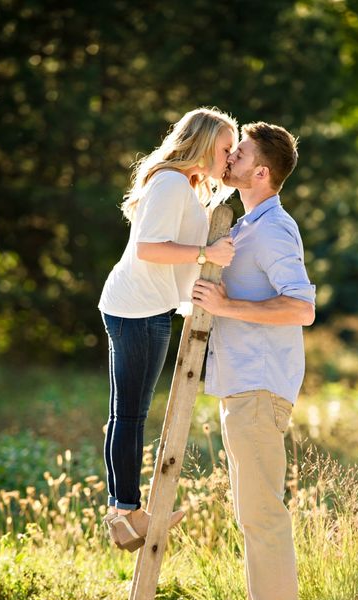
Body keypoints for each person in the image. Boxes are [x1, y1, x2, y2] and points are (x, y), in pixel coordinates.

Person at [192, 121, 316, 600]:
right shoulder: (248, 225)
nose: (228, 155)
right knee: (251, 514)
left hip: (261, 389)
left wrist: (225, 308)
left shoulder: (273, 231)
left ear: (260, 172)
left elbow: (301, 308)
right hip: (243, 386)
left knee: (263, 516)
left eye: (237, 151)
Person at [99, 108, 238, 553]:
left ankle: (122, 517)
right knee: (130, 415)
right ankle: (126, 510)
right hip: (137, 309)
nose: (230, 156)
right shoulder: (171, 182)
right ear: (201, 143)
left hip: (145, 306)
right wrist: (206, 253)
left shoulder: (185, 185)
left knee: (127, 413)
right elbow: (149, 249)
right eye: (225, 147)